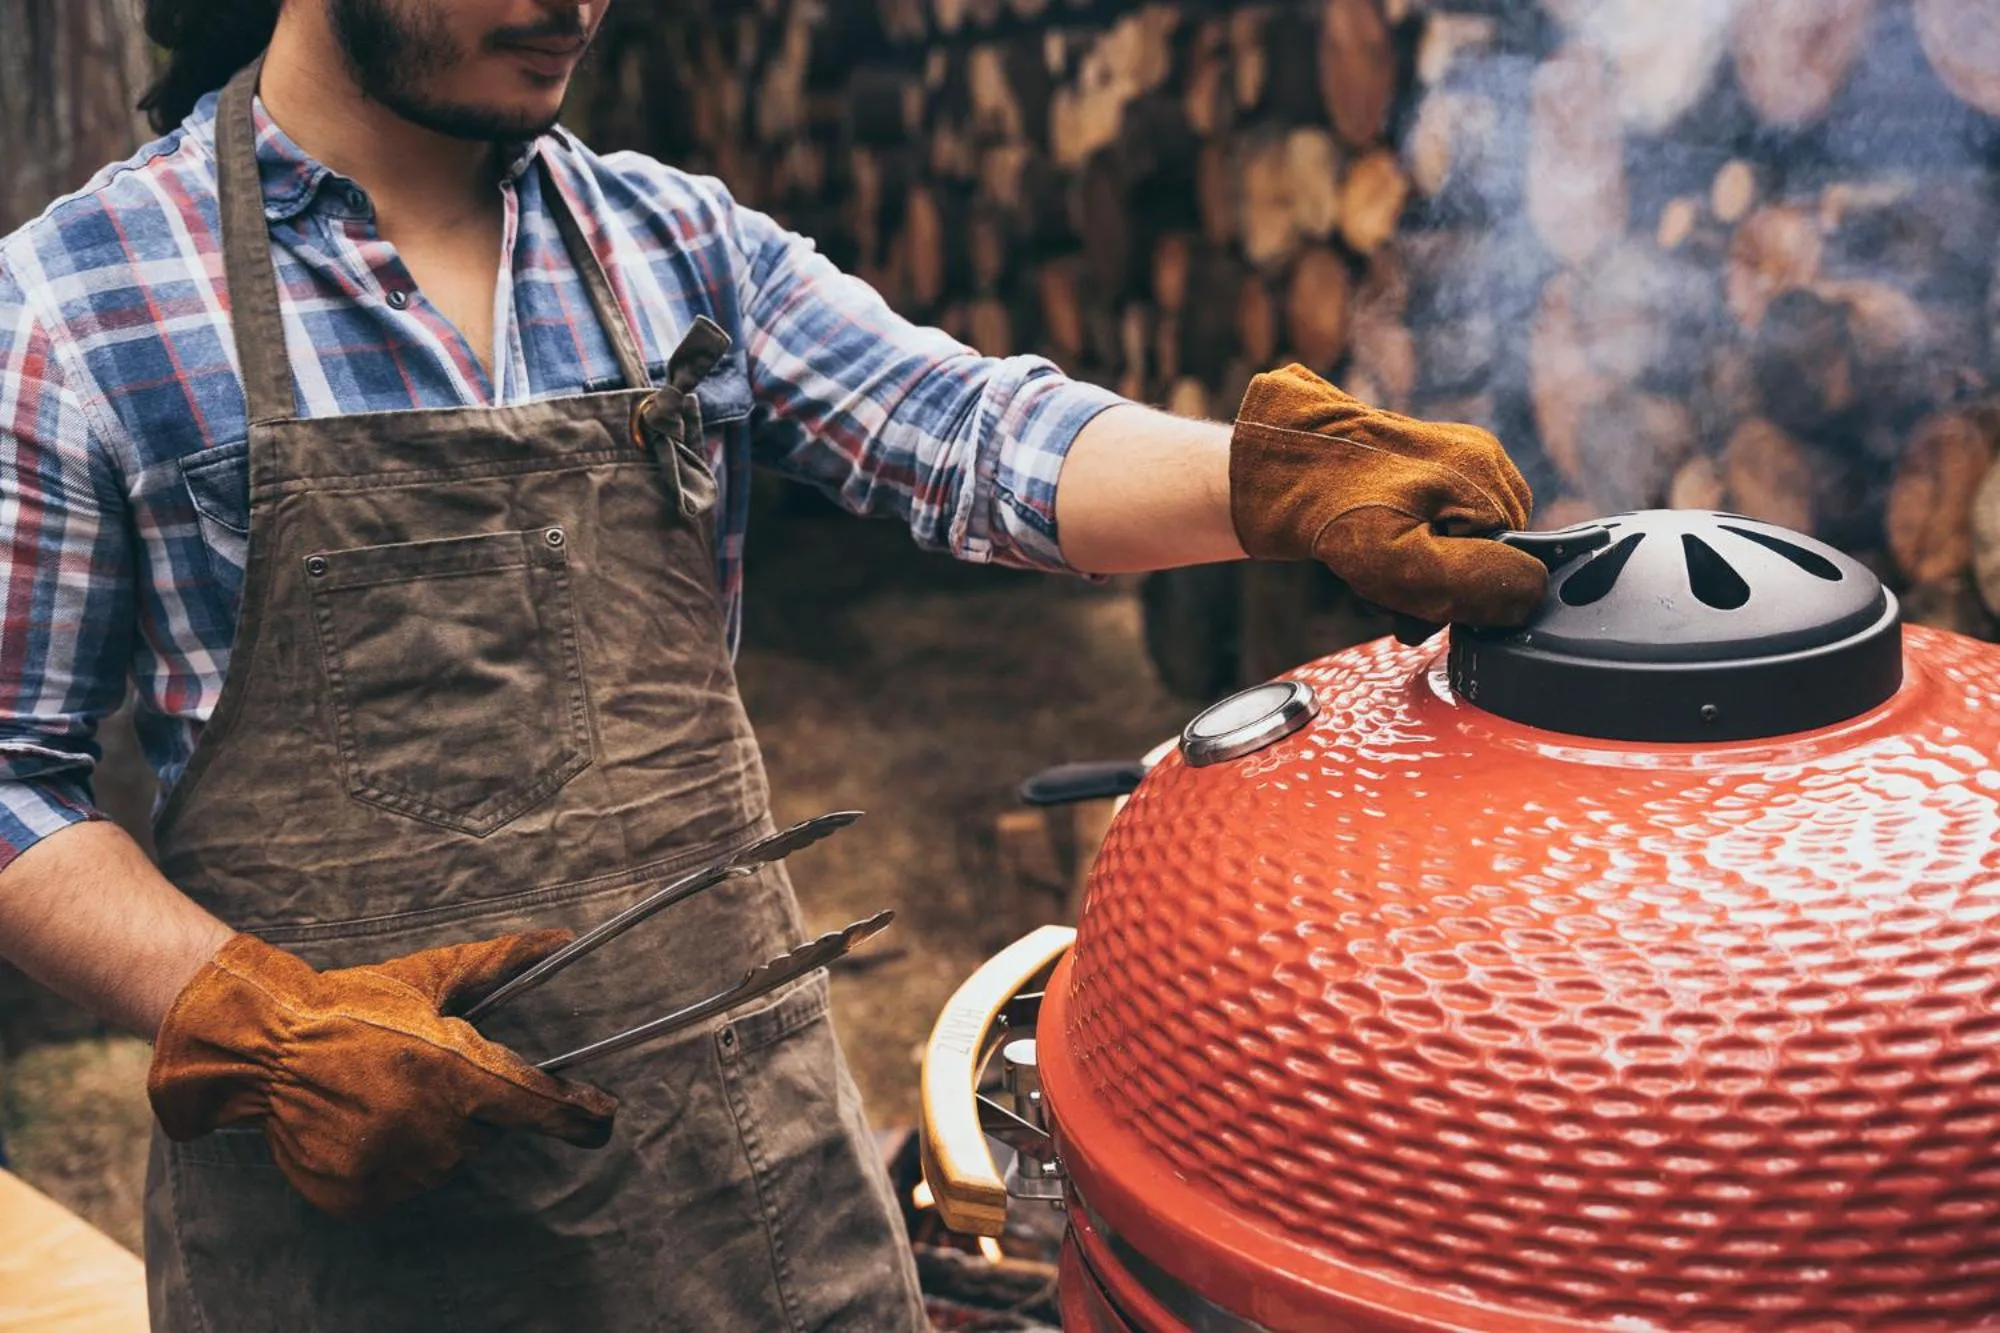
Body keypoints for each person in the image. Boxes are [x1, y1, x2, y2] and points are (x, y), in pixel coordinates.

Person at [0, 1, 1549, 1329]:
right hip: (345, 1223)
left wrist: (1267, 484)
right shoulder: (81, 307)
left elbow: (971, 437)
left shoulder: (669, 243)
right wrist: (246, 1014)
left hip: (738, 1186)